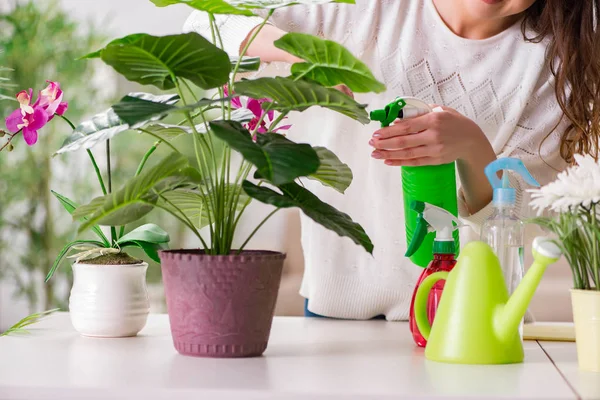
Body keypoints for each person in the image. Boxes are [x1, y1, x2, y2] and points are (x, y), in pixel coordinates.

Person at [184, 0, 600, 320]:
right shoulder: (365, 11)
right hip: (335, 314)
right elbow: (203, 26)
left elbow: (512, 221)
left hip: (470, 324)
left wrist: (473, 147)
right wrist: (300, 55)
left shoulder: (561, 70)